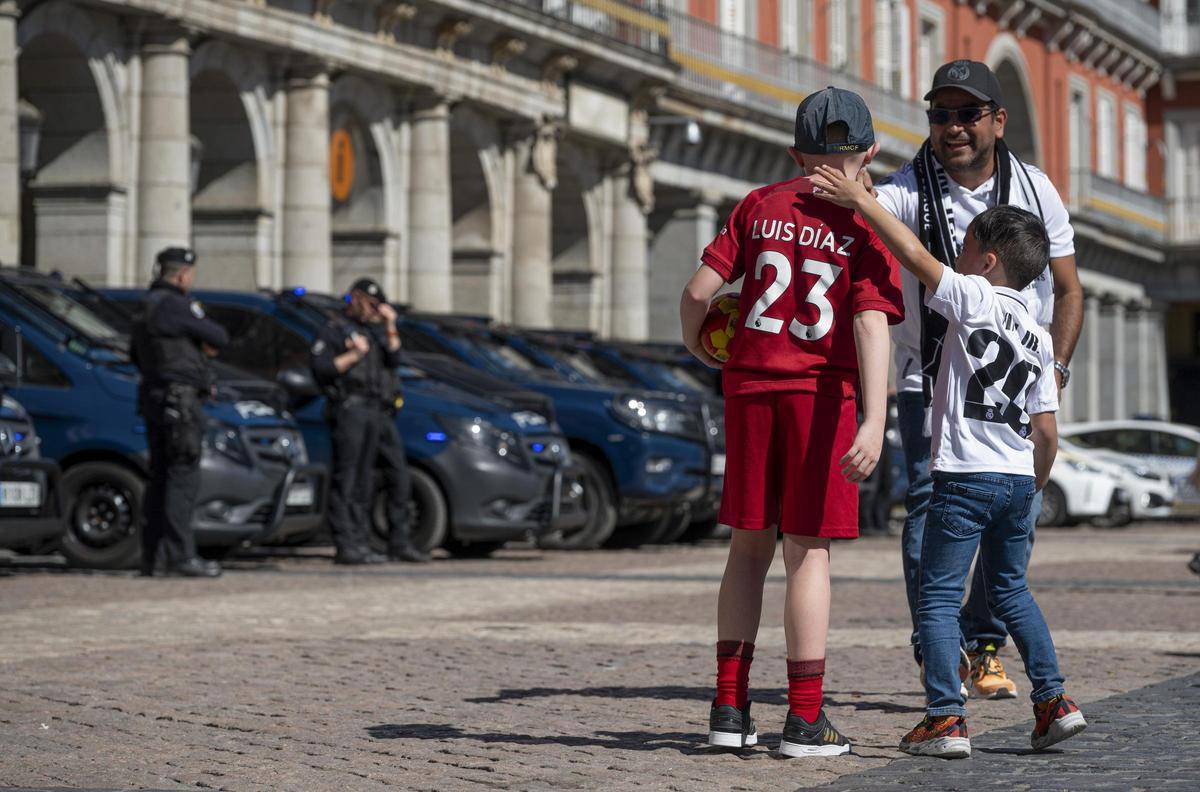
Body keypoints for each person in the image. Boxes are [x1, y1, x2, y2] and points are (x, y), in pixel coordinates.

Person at [812, 165, 1087, 758]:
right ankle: (1054, 700)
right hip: (1018, 480)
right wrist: (1032, 488)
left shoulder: (975, 295)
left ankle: (945, 717)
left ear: (988, 260)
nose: (954, 256)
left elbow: (912, 254)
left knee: (937, 599)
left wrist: (862, 199)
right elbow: (1046, 429)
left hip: (964, 478)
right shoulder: (1039, 336)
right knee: (1012, 592)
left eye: (963, 248)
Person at [679, 87, 903, 757]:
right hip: (820, 395)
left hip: (750, 388)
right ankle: (804, 718)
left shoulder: (760, 204)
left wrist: (699, 344)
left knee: (748, 549)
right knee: (808, 553)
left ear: (795, 153)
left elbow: (698, 291)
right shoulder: (868, 226)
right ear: (871, 152)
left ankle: (727, 707)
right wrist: (874, 417)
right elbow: (870, 324)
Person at [871, 60, 1084, 699]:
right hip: (925, 382)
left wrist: (1056, 370)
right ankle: (938, 646)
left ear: (997, 120)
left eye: (968, 114)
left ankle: (982, 643)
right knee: (926, 505)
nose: (954, 127)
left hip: (1012, 386)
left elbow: (1070, 290)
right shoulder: (908, 188)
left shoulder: (1035, 189)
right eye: (941, 115)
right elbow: (862, 222)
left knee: (1006, 524)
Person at [310, 278, 427, 564]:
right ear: (355, 299)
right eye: (371, 304)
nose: (374, 310)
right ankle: (347, 543)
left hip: (378, 410)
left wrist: (389, 325)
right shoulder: (334, 330)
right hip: (350, 408)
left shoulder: (374, 332)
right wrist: (353, 355)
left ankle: (384, 542)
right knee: (347, 477)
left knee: (382, 476)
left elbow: (395, 359)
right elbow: (321, 369)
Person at [130, 247, 229, 578]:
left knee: (159, 478)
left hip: (155, 398)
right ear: (183, 274)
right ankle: (181, 555)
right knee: (182, 477)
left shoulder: (147, 306)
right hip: (181, 402)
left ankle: (153, 557)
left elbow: (135, 354)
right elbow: (219, 335)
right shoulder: (175, 304)